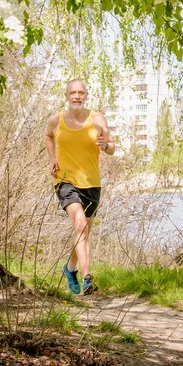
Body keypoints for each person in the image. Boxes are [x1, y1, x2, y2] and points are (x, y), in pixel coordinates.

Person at [45, 79, 115, 295]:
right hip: (65, 180)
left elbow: (111, 147)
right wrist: (51, 158)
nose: (77, 96)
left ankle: (70, 269)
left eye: (81, 93)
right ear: (66, 96)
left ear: (86, 96)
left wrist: (106, 145)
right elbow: (48, 136)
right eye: (72, 93)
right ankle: (87, 277)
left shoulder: (97, 119)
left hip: (92, 183)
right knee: (80, 224)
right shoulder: (56, 120)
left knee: (82, 231)